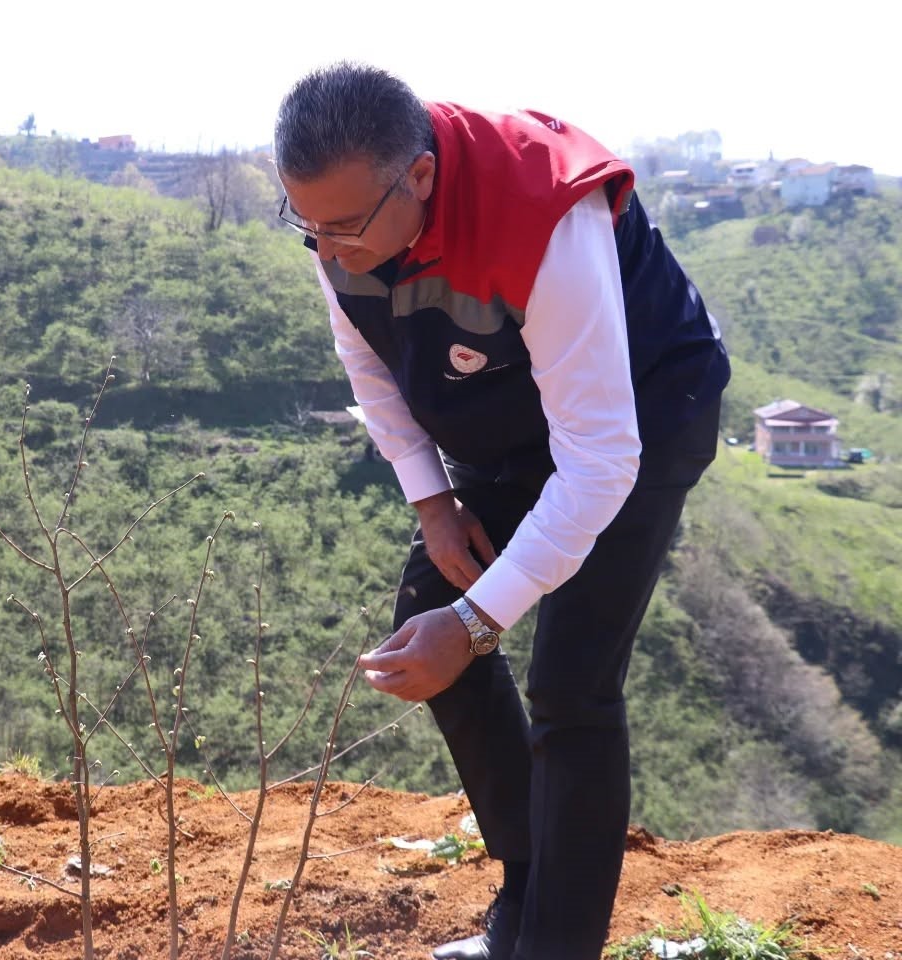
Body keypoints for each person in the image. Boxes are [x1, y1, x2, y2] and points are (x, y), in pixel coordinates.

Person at [273, 63, 729, 960]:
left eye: (343, 226)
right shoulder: (345, 222)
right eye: (304, 223)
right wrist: (435, 504)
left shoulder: (543, 215)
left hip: (639, 414)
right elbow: (370, 362)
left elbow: (600, 461)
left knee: (570, 685)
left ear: (421, 177)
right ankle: (524, 899)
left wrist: (480, 621)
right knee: (427, 614)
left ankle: (560, 947)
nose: (323, 248)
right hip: (514, 411)